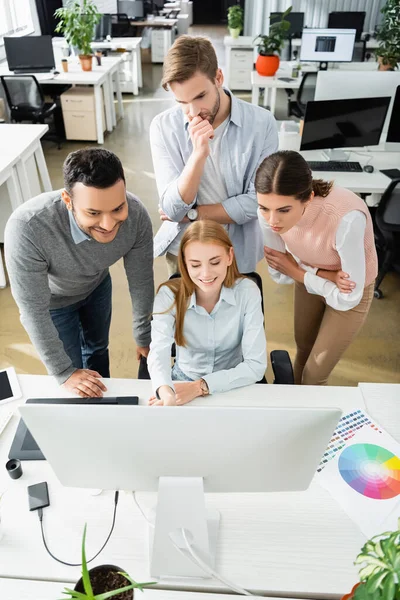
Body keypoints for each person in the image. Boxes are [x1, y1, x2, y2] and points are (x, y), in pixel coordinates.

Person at [5, 149, 154, 398]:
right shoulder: (28, 228)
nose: (108, 225)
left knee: (98, 350)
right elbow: (33, 311)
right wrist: (64, 371)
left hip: (97, 286)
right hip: (54, 302)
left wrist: (144, 337)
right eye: (94, 213)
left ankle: (102, 404)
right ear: (67, 200)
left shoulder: (137, 215)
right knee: (73, 372)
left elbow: (141, 282)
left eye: (118, 209)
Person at [150, 35, 278, 276]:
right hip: (184, 251)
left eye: (200, 97)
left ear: (218, 78)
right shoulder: (162, 126)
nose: (193, 112)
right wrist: (198, 155)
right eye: (181, 102)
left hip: (236, 251)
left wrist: (194, 214)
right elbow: (172, 209)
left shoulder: (262, 124)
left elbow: (257, 203)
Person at [255, 150, 378, 386]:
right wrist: (322, 274)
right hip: (312, 277)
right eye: (264, 208)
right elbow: (281, 274)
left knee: (314, 375)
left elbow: (348, 297)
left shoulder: (346, 219)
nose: (272, 221)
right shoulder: (269, 210)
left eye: (283, 210)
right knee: (302, 351)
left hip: (350, 292)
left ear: (308, 198)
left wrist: (299, 271)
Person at [147, 221, 267, 406]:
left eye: (215, 262)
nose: (206, 273)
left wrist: (200, 387)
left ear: (229, 256)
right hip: (182, 382)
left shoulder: (247, 292)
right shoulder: (168, 295)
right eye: (195, 265)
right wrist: (165, 390)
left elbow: (255, 365)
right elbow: (158, 351)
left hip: (233, 383)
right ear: (184, 264)